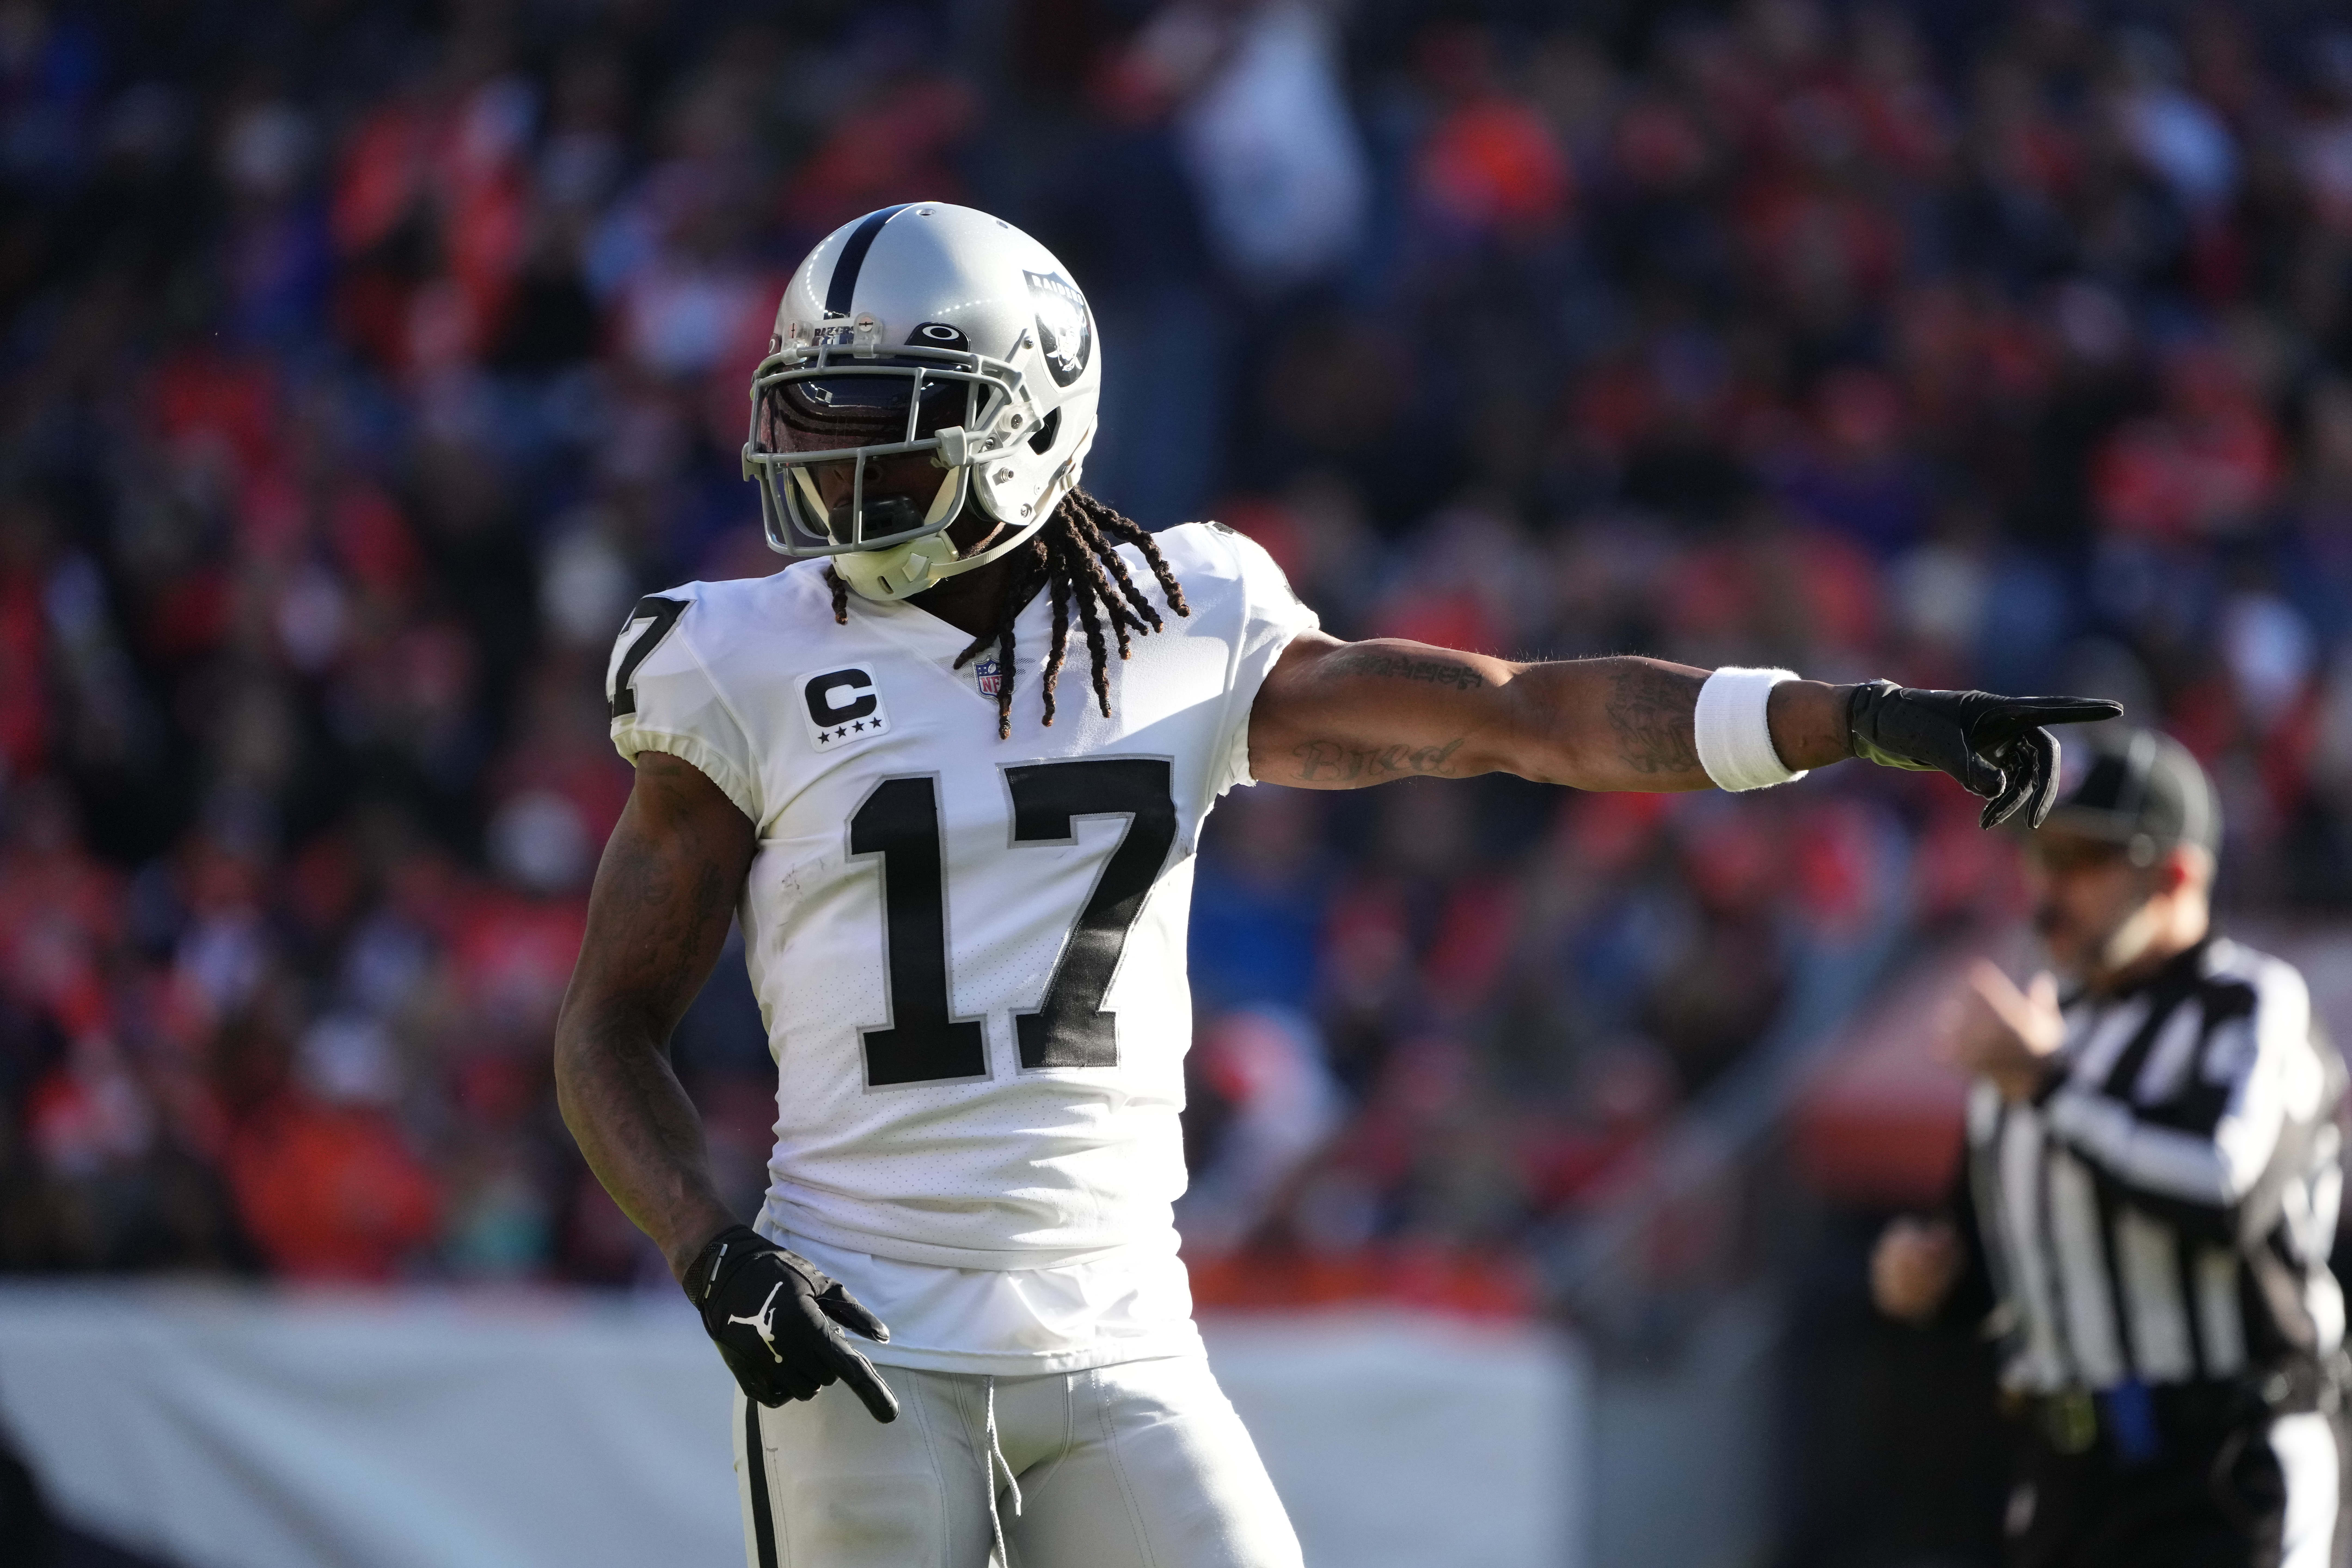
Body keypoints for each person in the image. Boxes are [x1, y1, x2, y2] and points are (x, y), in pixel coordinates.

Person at [553, 201, 2118, 1568]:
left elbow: (1520, 713)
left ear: (1027, 421)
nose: (830, 459)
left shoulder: (1182, 620)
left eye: (884, 413)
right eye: (813, 413)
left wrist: (1839, 717)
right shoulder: (740, 663)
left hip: (1117, 1327)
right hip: (860, 1324)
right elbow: (606, 1028)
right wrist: (711, 1249)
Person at [1872, 730, 2348, 1568]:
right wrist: (1930, 1277)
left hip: (2224, 1473)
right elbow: (1995, 1267)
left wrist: (2050, 1085)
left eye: (2083, 860)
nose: (2050, 891)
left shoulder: (2251, 1007)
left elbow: (2222, 1189)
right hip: (2066, 1474)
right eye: (2039, 858)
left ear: (2176, 875)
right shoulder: (2045, 1027)